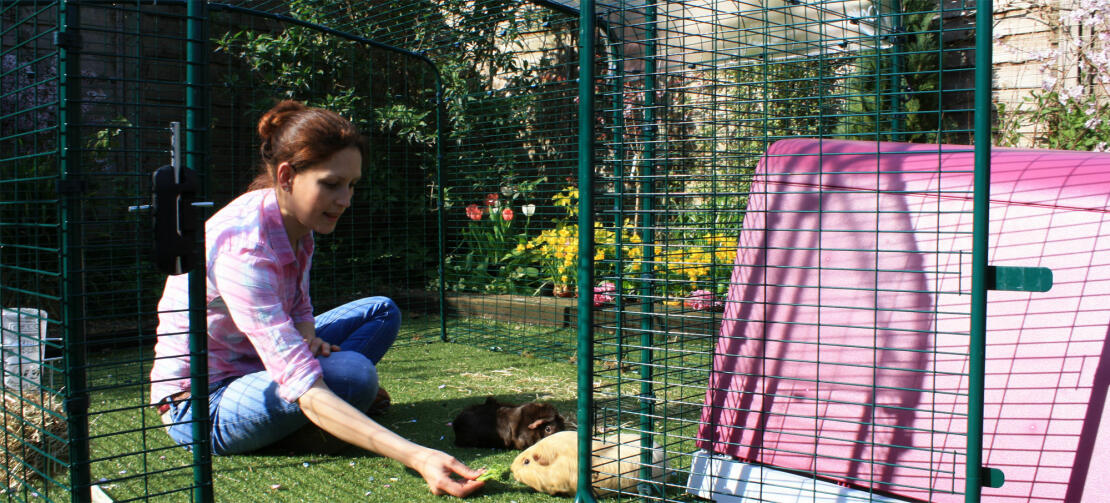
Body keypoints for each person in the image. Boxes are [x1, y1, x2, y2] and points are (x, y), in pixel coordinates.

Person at [149, 100, 484, 497]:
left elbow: (300, 307)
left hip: (259, 360)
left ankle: (336, 408)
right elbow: (301, 382)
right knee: (353, 375)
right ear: (288, 176)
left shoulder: (298, 221)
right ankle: (329, 414)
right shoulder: (245, 250)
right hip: (203, 403)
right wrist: (417, 456)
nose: (345, 199)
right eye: (331, 184)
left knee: (381, 311)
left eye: (351, 184)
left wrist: (308, 338)